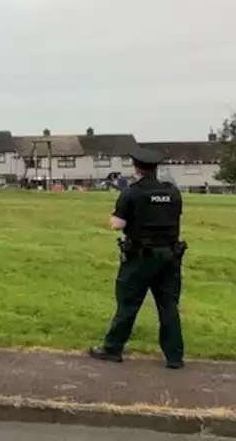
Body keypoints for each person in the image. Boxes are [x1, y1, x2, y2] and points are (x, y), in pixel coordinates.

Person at [88, 147, 187, 369]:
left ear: (136, 168)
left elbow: (117, 224)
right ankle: (175, 357)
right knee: (168, 306)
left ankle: (113, 348)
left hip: (140, 258)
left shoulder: (132, 193)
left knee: (128, 304)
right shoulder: (172, 192)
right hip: (170, 256)